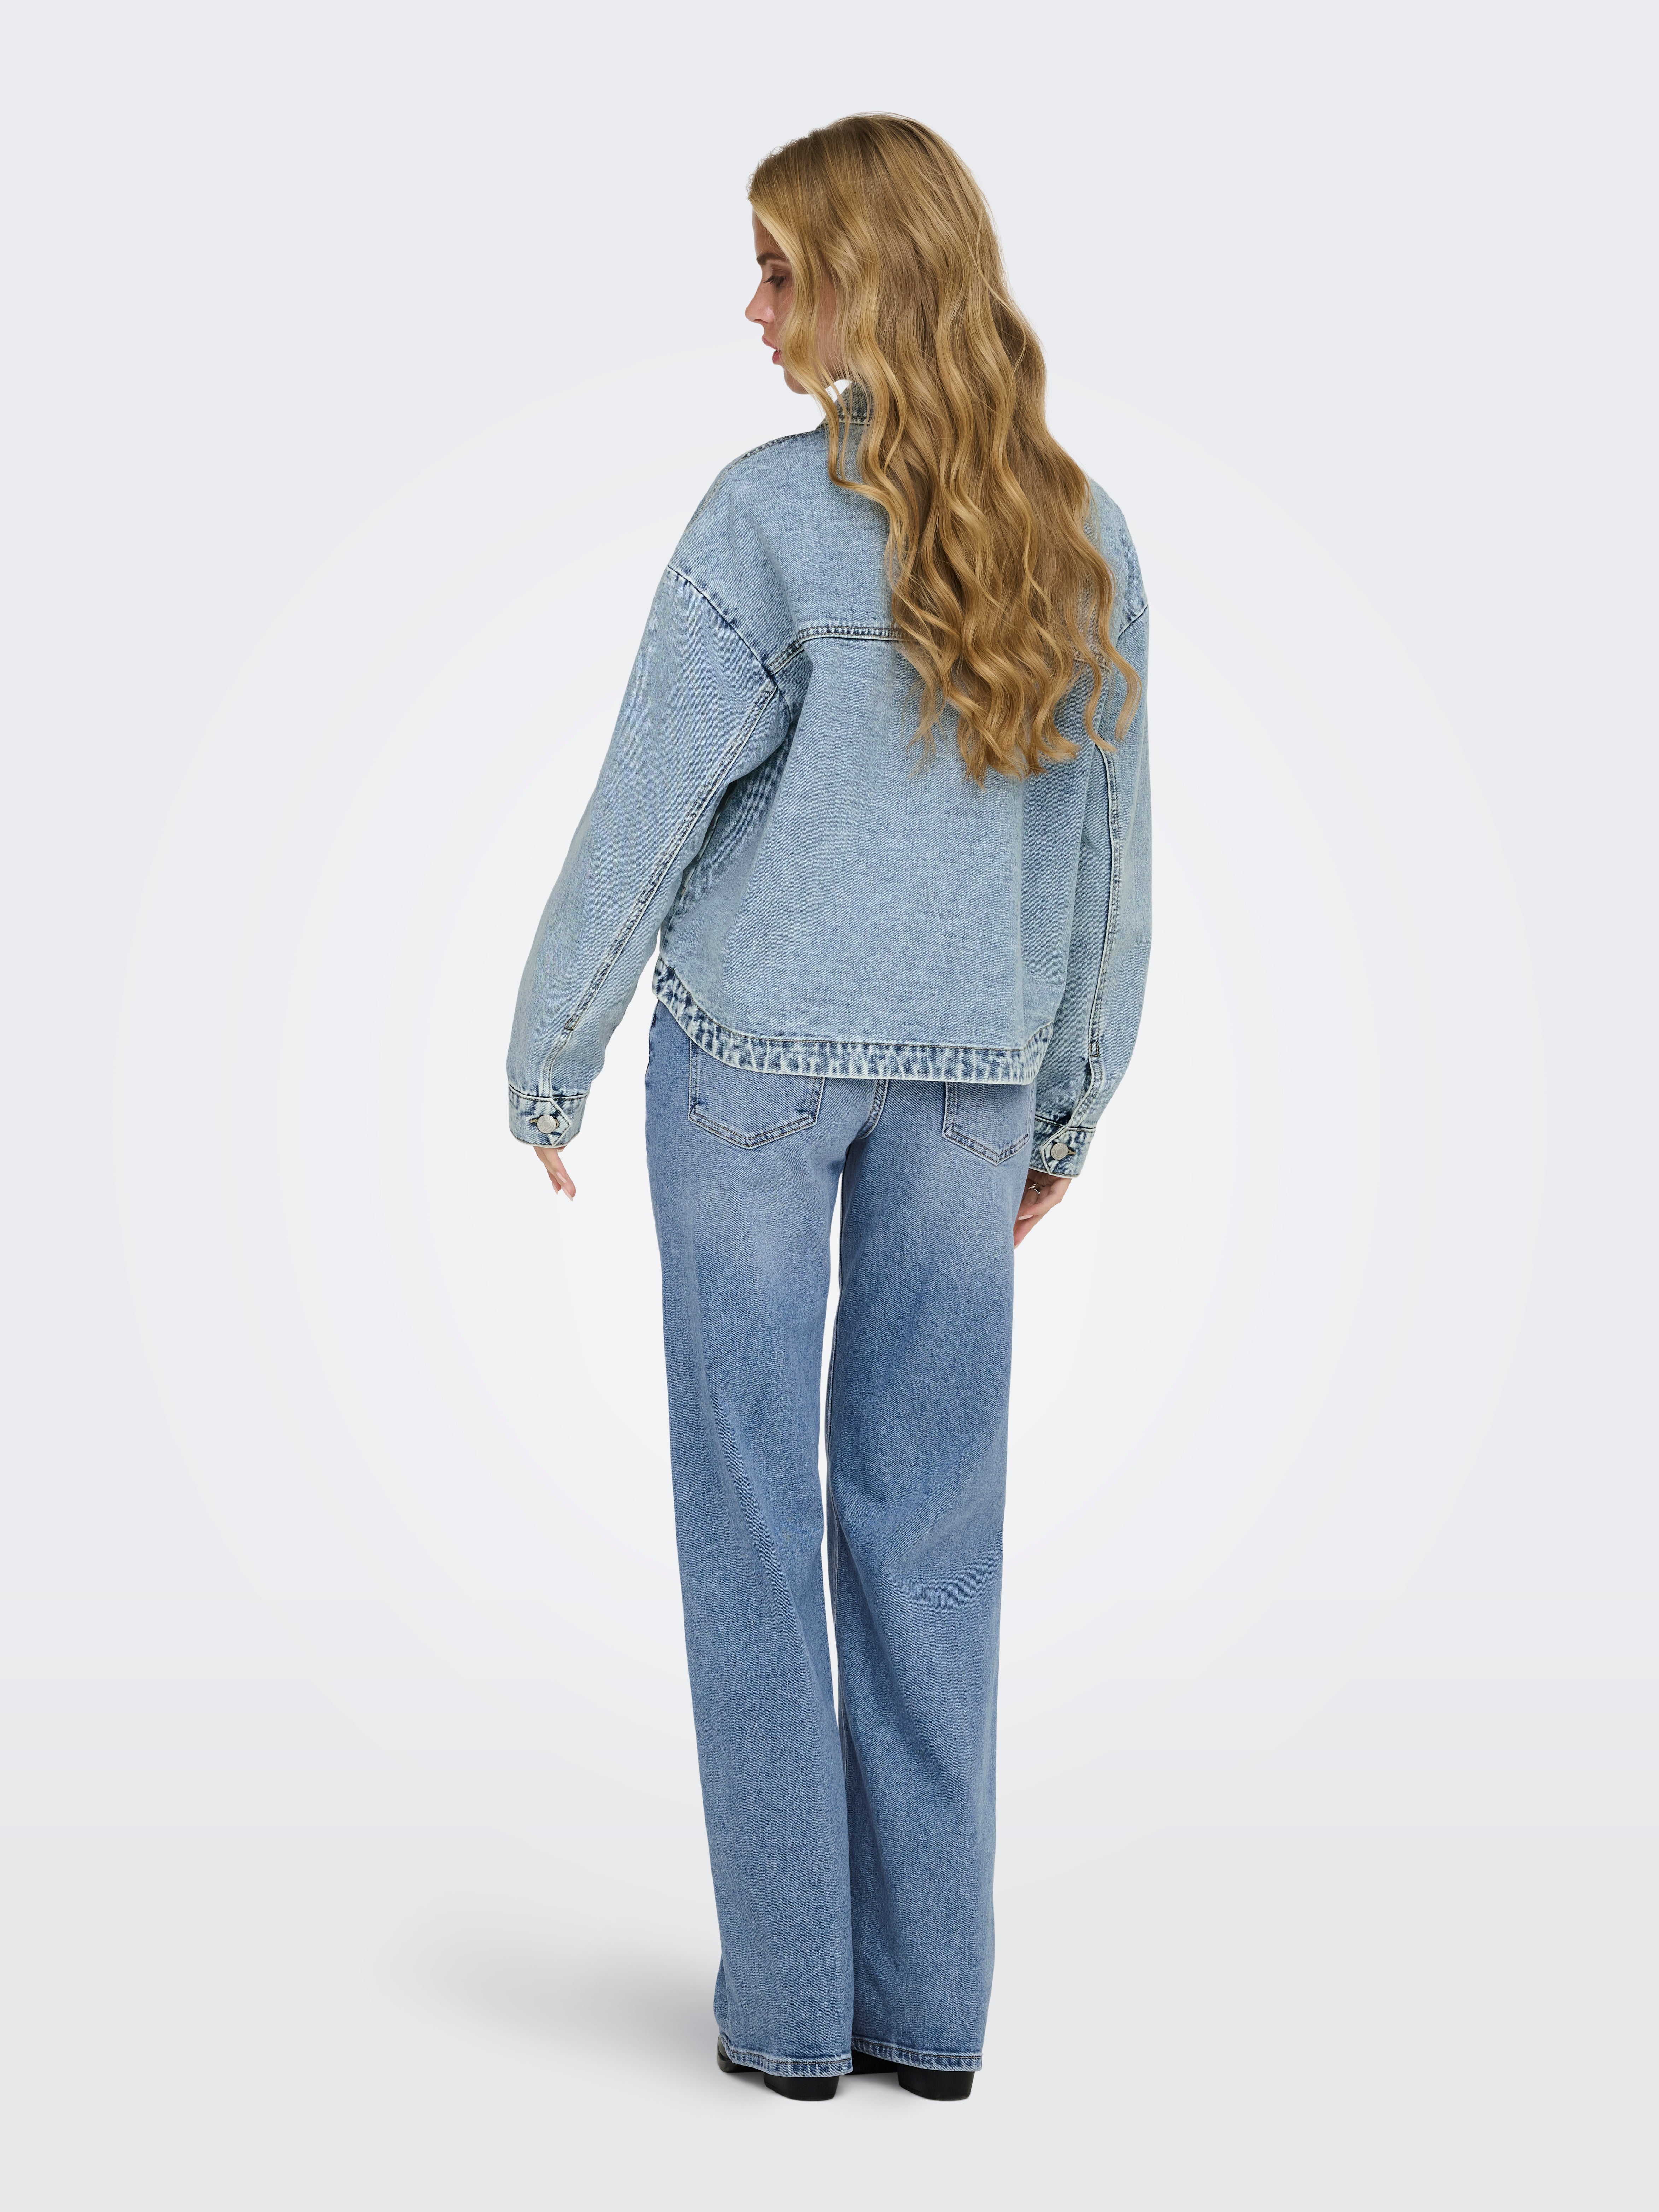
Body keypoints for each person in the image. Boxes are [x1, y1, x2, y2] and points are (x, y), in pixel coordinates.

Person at [507, 114, 1149, 2103]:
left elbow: (648, 807)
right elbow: (1108, 862)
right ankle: (927, 2016)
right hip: (971, 1085)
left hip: (753, 1075)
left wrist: (551, 1044)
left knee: (753, 1522)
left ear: (875, 281)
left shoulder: (766, 521)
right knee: (929, 1533)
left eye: (784, 269)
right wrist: (1066, 1102)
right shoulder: (1080, 534)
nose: (756, 308)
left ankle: (791, 2015)